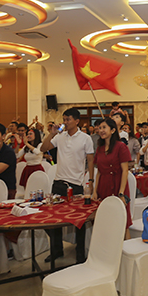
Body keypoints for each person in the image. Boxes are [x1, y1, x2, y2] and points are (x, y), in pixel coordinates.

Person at [40, 108, 94, 263]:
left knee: (79, 221)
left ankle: (80, 254)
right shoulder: (59, 137)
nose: (64, 122)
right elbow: (43, 149)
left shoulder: (85, 138)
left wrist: (90, 180)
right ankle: (56, 250)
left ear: (77, 121)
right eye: (64, 119)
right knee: (52, 218)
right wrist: (51, 133)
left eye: (68, 119)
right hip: (58, 182)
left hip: (76, 184)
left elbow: (90, 160)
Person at [92, 118, 132, 229]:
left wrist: (121, 193)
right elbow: (99, 172)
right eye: (100, 128)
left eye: (104, 127)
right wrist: (95, 191)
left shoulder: (121, 146)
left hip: (118, 184)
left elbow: (125, 171)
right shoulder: (99, 148)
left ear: (113, 130)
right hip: (103, 186)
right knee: (105, 222)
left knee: (121, 223)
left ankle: (125, 246)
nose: (101, 130)